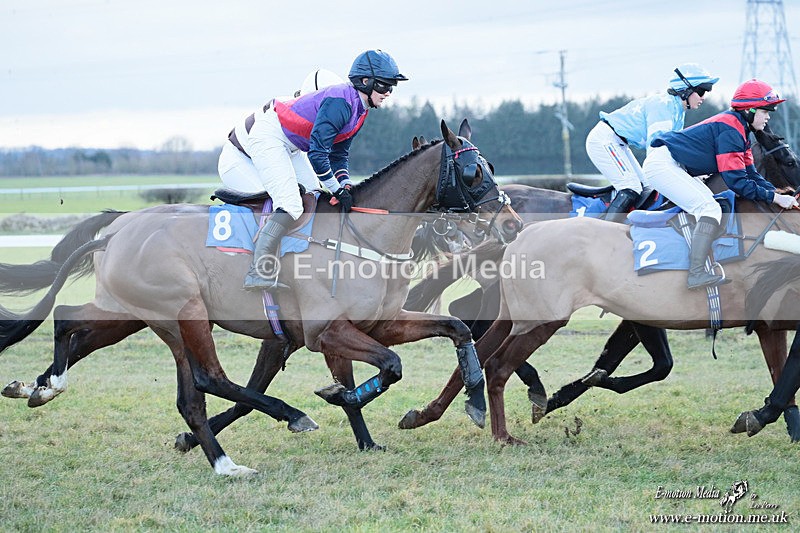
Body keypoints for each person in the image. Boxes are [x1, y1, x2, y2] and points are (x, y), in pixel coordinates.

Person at [217, 50, 408, 291]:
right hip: (264, 141)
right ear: (365, 82)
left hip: (290, 146)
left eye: (392, 87)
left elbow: (339, 154)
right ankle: (258, 270)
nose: (388, 92)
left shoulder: (360, 110)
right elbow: (318, 154)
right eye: (384, 85)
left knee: (314, 196)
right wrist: (336, 189)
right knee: (291, 204)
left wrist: (345, 184)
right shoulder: (340, 102)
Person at [643, 79, 799, 290]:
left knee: (711, 206)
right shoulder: (731, 130)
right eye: (765, 111)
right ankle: (696, 273)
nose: (768, 116)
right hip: (663, 165)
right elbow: (737, 183)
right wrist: (775, 198)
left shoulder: (740, 131)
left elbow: (751, 174)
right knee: (709, 208)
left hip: (675, 164)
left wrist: (779, 195)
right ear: (750, 110)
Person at [585, 63, 719, 222]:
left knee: (645, 189)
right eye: (702, 91)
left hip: (618, 142)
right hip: (604, 140)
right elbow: (657, 151)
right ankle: (604, 231)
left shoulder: (677, 111)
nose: (703, 97)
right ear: (685, 90)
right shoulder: (664, 107)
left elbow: (674, 153)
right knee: (631, 188)